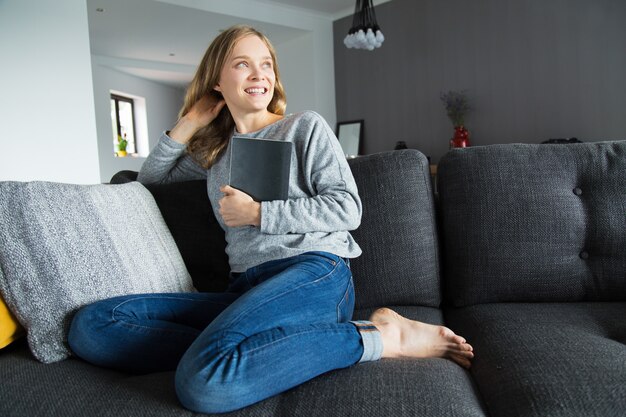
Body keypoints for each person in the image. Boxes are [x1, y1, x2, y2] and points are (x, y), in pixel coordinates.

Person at [68, 25, 474, 414]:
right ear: (217, 81)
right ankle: (241, 349)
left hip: (313, 273)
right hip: (245, 289)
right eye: (242, 64)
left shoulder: (302, 127)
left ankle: (383, 336)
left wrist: (259, 214)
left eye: (266, 64)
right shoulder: (215, 153)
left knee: (203, 382)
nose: (259, 73)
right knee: (91, 326)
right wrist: (191, 122)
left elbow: (348, 207)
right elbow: (152, 181)